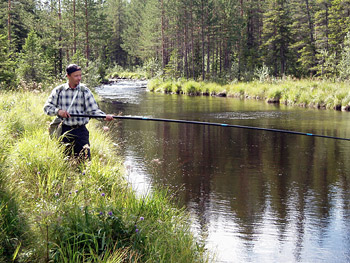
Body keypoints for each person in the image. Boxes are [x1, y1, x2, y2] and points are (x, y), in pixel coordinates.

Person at [44, 64, 113, 160]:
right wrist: (59, 112)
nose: (79, 78)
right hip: (64, 131)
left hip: (81, 131)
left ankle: (83, 175)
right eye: (76, 76)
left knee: (84, 160)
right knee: (65, 160)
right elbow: (47, 108)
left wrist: (104, 117)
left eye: (80, 75)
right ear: (68, 76)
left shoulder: (85, 91)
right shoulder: (59, 91)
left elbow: (93, 110)